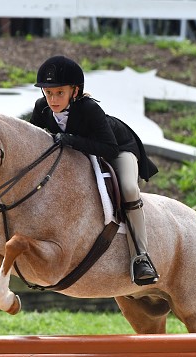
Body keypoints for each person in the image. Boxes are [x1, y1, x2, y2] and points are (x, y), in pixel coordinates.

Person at [29, 55, 159, 286]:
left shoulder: (89, 109)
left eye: (59, 92)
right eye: (48, 93)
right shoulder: (41, 108)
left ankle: (141, 257)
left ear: (74, 91)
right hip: (80, 151)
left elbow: (108, 148)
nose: (53, 99)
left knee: (129, 188)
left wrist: (70, 139)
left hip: (118, 148)